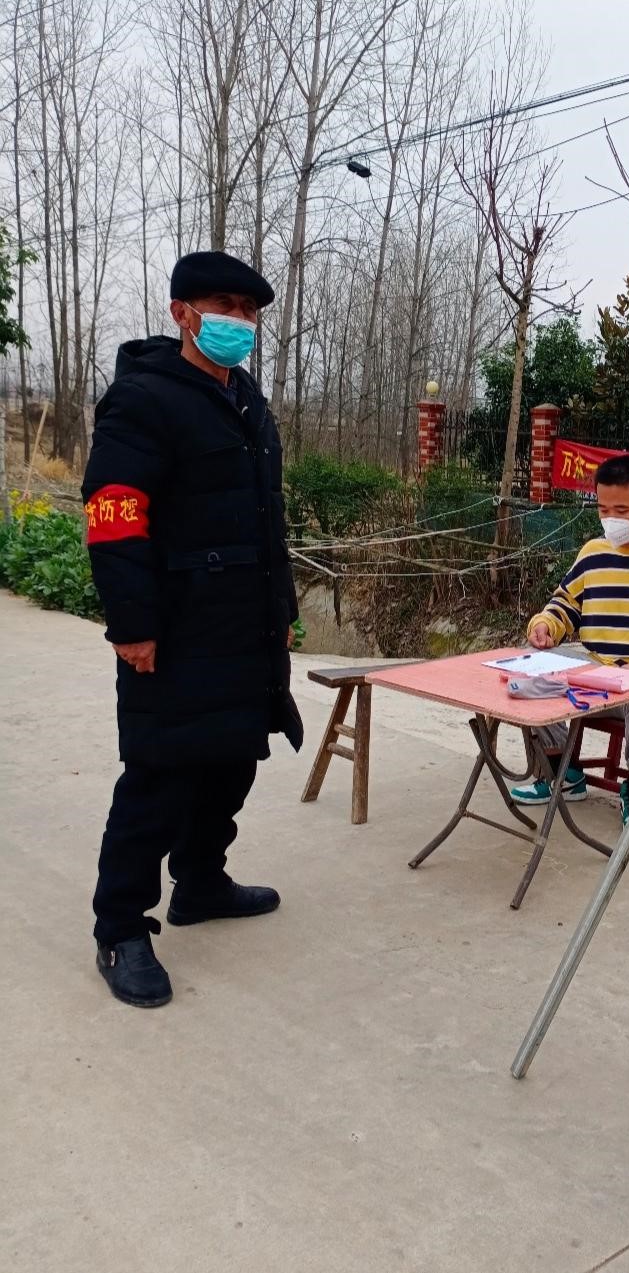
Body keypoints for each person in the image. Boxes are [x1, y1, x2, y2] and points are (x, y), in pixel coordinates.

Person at [82, 250, 303, 1008]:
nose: (239, 322)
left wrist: (282, 611)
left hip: (243, 627)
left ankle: (201, 881)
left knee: (234, 758)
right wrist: (132, 624)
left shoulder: (246, 400)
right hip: (175, 629)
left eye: (249, 312)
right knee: (161, 774)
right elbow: (114, 518)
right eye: (223, 307)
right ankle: (120, 928)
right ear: (182, 313)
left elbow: (267, 520)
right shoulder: (143, 399)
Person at [511, 453, 629, 832]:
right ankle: (561, 771)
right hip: (596, 673)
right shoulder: (594, 553)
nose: (611, 519)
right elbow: (565, 604)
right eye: (603, 509)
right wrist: (546, 624)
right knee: (528, 670)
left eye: (622, 510)